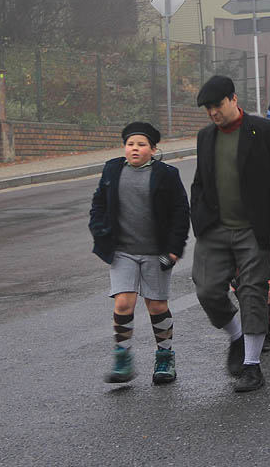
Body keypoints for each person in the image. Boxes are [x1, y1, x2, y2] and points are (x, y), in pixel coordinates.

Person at [190, 75, 270, 393]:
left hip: (254, 228)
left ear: (234, 99)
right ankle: (237, 335)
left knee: (252, 292)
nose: (213, 112)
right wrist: (199, 218)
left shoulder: (263, 131)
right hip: (215, 228)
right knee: (207, 290)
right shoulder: (205, 137)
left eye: (217, 105)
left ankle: (252, 366)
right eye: (208, 108)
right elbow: (200, 182)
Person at [89, 122, 190, 385]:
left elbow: (181, 212)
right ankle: (122, 357)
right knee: (123, 303)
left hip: (155, 252)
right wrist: (100, 231)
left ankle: (165, 356)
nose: (135, 149)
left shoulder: (167, 174)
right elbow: (98, 203)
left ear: (154, 149)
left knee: (156, 306)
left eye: (141, 144)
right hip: (123, 251)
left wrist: (175, 249)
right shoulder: (113, 169)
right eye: (130, 144)